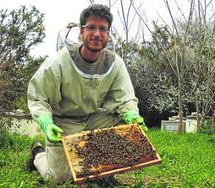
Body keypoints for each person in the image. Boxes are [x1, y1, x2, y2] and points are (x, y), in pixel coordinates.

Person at [27, 4, 146, 184]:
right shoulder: (58, 62)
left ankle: (103, 171)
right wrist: (45, 122)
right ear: (81, 32)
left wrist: (131, 114)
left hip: (92, 118)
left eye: (102, 29)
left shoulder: (115, 64)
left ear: (107, 34)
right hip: (63, 122)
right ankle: (38, 153)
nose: (97, 33)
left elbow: (125, 97)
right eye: (91, 27)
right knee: (57, 179)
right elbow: (38, 96)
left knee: (127, 127)